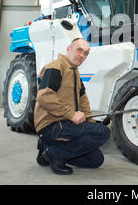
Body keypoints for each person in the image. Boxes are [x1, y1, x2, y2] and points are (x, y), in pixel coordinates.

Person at [34, 37, 110, 175]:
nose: (82, 55)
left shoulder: (74, 73)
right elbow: (44, 96)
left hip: (67, 126)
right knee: (103, 132)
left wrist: (90, 125)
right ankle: (54, 154)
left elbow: (83, 101)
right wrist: (71, 114)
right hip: (52, 125)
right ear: (69, 49)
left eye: (86, 53)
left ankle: (48, 148)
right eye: (79, 50)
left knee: (96, 160)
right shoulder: (56, 67)